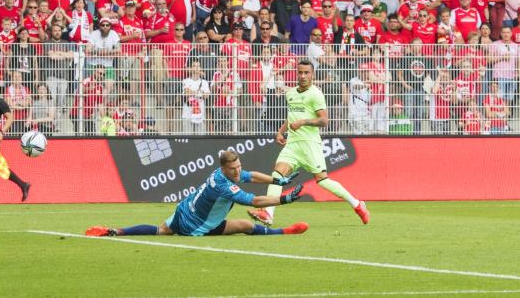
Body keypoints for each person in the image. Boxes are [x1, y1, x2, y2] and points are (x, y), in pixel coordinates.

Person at [248, 60, 370, 226]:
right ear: (296, 74)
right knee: (277, 175)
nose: (303, 76)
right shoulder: (291, 93)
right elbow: (292, 115)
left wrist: (303, 122)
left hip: (310, 144)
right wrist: (280, 131)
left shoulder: (316, 94)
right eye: (300, 72)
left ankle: (357, 204)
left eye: (307, 73)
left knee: (323, 180)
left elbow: (324, 120)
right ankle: (268, 213)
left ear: (313, 75)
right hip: (292, 144)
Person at [86, 150, 307, 237]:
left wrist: (278, 180)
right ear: (223, 169)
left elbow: (254, 175)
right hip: (198, 224)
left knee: (161, 230)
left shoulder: (226, 173)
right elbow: (255, 200)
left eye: (239, 166)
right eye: (234, 169)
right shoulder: (224, 185)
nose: (238, 171)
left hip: (184, 209)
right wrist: (284, 198)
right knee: (247, 225)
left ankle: (114, 231)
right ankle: (285, 232)